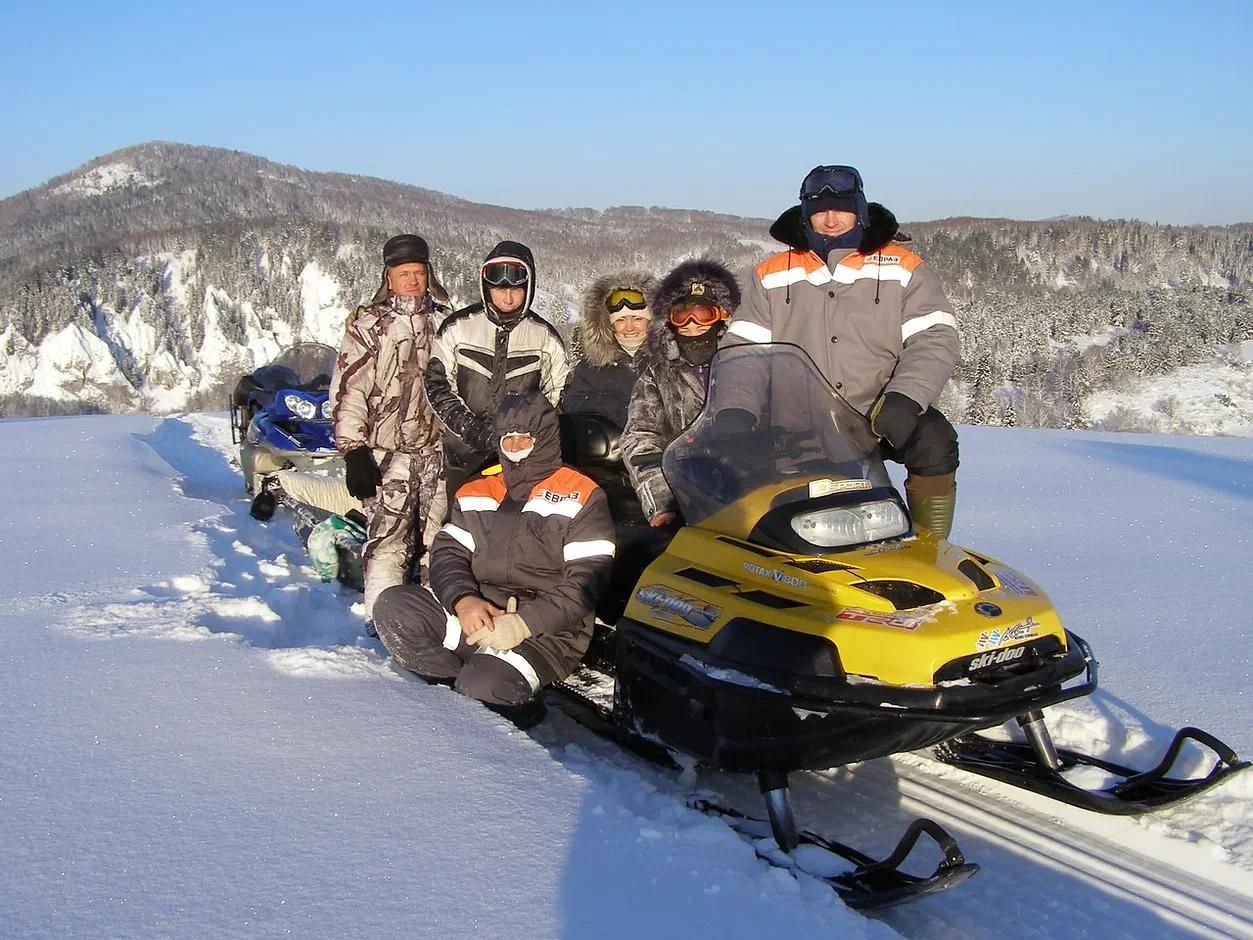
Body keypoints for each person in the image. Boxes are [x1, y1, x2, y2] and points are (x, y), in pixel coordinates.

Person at [723, 164, 961, 538]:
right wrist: (736, 407)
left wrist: (905, 397)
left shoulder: (903, 266)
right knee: (804, 509)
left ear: (860, 210)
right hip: (801, 417)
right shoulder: (771, 273)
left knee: (935, 442)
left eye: (842, 207)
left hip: (879, 407)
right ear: (805, 214)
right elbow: (743, 348)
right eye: (820, 210)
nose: (831, 219)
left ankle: (930, 545)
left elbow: (935, 337)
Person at [371, 391, 616, 726]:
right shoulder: (478, 488)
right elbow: (448, 551)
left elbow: (586, 584)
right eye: (507, 439)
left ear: (543, 438)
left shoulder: (583, 495)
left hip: (546, 630)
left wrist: (522, 624)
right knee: (394, 608)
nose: (513, 448)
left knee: (482, 687)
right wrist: (464, 599)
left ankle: (514, 706)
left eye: (524, 439)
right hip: (480, 612)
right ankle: (446, 692)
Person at [329, 233, 449, 619]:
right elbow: (349, 391)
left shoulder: (448, 324)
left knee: (441, 545)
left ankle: (435, 628)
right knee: (387, 544)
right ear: (388, 277)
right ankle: (382, 620)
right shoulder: (368, 327)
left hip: (438, 455)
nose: (412, 280)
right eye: (403, 273)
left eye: (418, 272)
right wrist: (354, 451)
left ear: (429, 275)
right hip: (388, 457)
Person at [425, 240, 570, 502]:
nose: (507, 297)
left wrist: (527, 437)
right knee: (465, 530)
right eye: (499, 289)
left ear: (529, 288)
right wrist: (473, 430)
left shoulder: (544, 337)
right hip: (465, 453)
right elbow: (437, 385)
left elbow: (558, 396)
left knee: (519, 533)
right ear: (486, 287)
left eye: (516, 289)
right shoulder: (458, 328)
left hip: (523, 458)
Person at [620, 259, 740, 528]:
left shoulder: (747, 366)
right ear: (669, 320)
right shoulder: (659, 374)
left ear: (721, 316)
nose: (692, 324)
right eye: (681, 315)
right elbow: (640, 438)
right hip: (689, 494)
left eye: (703, 314)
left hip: (749, 485)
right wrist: (663, 501)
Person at [560, 270, 657, 428]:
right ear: (608, 325)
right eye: (621, 320)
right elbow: (573, 406)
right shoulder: (590, 370)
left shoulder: (668, 363)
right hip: (612, 450)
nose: (629, 327)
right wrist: (619, 407)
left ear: (652, 322)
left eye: (638, 319)